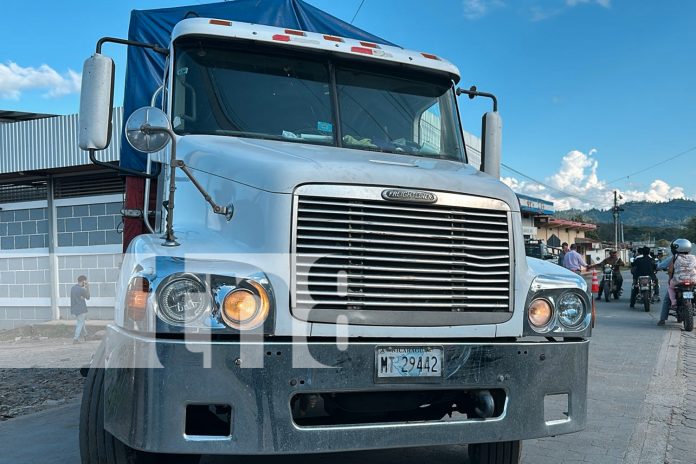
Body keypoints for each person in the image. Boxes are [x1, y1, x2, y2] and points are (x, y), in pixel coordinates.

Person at [665, 238, 696, 314]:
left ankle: (673, 302)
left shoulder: (675, 257)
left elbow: (670, 270)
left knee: (670, 289)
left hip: (678, 280)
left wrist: (669, 279)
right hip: (693, 280)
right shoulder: (694, 257)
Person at [71, 275, 90, 343]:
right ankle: (75, 339)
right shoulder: (82, 289)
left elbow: (74, 299)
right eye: (85, 281)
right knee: (80, 323)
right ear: (83, 281)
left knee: (82, 323)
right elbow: (88, 297)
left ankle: (86, 335)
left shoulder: (73, 288)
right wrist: (87, 288)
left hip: (75, 309)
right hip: (81, 309)